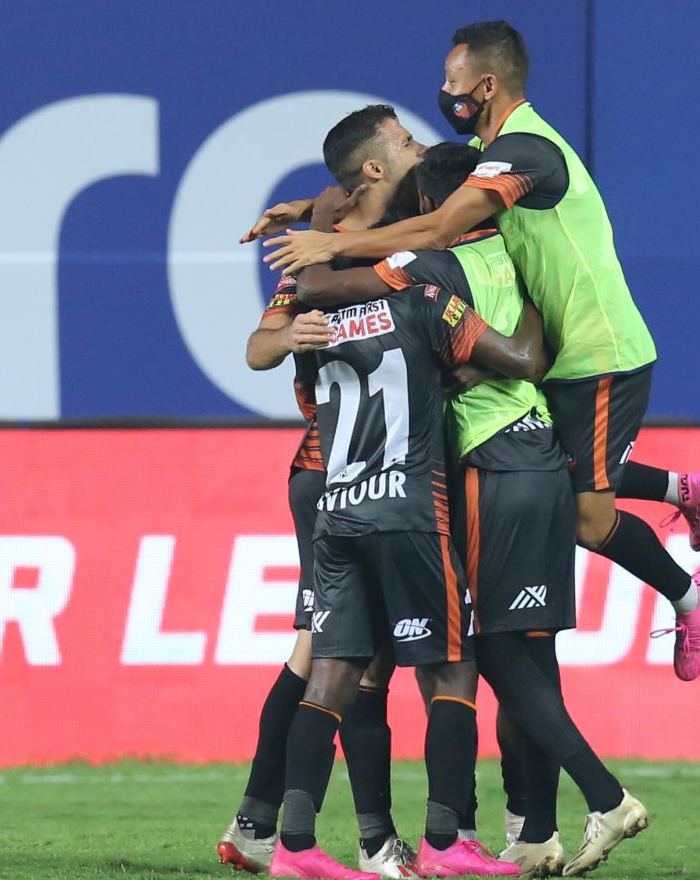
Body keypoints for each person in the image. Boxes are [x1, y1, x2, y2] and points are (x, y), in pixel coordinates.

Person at [260, 21, 700, 685]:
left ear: (485, 84)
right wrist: (311, 206)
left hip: (599, 352)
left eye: (451, 84)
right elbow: (419, 181)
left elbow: (441, 222)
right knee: (555, 478)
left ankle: (690, 594)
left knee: (587, 518)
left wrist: (329, 244)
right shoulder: (490, 146)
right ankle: (685, 490)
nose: (443, 95)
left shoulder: (526, 149)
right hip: (561, 353)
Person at [292, 141, 650, 878]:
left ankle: (586, 802)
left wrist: (321, 238)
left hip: (476, 466)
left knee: (461, 654)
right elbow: (529, 355)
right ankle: (533, 833)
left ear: (429, 209)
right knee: (528, 651)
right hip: (545, 456)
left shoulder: (426, 271)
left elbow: (318, 303)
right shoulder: (514, 255)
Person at [267, 266, 548, 877]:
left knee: (332, 676)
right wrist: (535, 302)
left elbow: (277, 368)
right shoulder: (424, 301)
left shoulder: (313, 327)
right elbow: (522, 360)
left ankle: (294, 847)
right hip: (409, 513)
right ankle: (446, 844)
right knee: (453, 668)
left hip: (335, 514)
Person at [218, 105, 425, 878]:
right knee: (344, 656)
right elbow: (257, 347)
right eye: (401, 140)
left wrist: (313, 213)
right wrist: (290, 333)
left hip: (367, 470)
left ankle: (261, 826)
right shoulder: (328, 270)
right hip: (333, 472)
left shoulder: (354, 232)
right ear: (369, 175)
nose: (416, 147)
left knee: (324, 654)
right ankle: (367, 841)